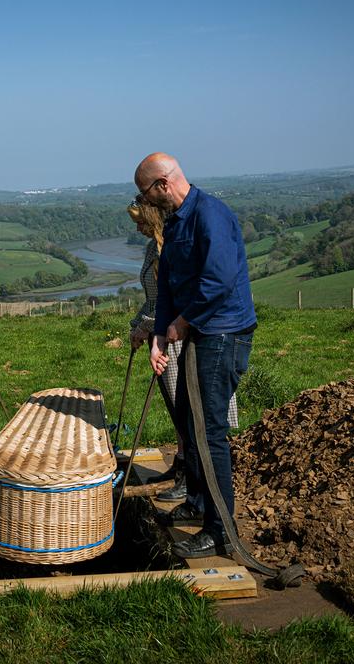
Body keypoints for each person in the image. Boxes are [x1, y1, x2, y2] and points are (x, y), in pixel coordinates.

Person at [134, 152, 257, 559]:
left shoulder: (211, 216)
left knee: (209, 433)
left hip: (223, 334)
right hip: (199, 333)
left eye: (148, 195)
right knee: (190, 423)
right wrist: (159, 335)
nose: (147, 205)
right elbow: (168, 285)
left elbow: (219, 280)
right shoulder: (177, 221)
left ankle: (220, 530)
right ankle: (199, 503)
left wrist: (182, 324)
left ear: (163, 184)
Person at [128, 200, 240, 502]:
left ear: (153, 218)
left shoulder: (169, 249)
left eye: (140, 222)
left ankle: (192, 480)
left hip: (179, 337)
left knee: (191, 413)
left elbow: (178, 300)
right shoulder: (153, 248)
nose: (137, 228)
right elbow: (154, 299)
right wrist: (138, 324)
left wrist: (151, 327)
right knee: (180, 414)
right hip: (162, 335)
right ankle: (183, 469)